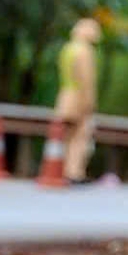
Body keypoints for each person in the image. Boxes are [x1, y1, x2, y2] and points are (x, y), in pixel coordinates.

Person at [53, 18, 101, 183]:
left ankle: (63, 170)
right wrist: (90, 101)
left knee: (67, 136)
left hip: (65, 95)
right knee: (81, 136)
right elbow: (86, 79)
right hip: (78, 97)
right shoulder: (85, 51)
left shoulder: (68, 48)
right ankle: (74, 173)